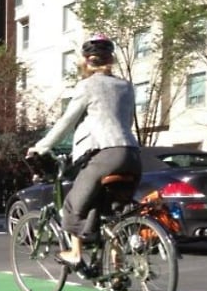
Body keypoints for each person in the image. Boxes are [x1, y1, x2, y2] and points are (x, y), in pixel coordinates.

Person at [26, 34, 141, 267]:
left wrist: (41, 147)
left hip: (105, 154)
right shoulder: (126, 87)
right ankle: (116, 266)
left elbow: (66, 121)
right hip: (132, 155)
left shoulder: (87, 86)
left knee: (73, 204)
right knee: (113, 213)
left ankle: (75, 253)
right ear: (111, 59)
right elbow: (125, 121)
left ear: (86, 61)